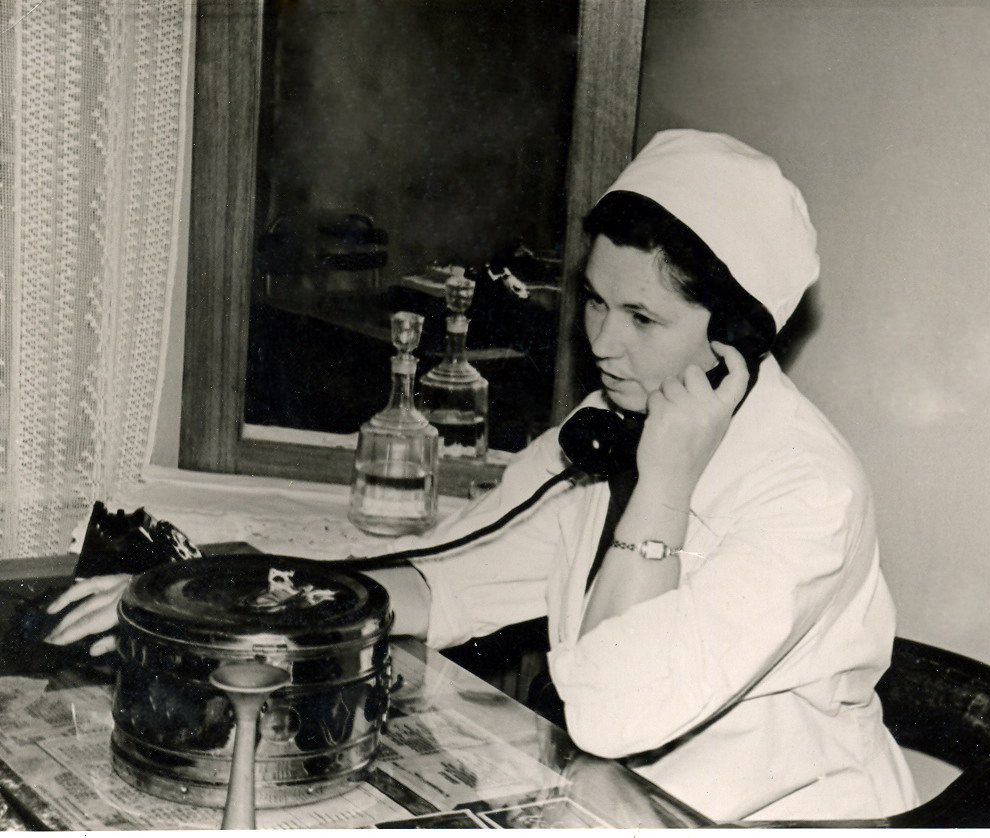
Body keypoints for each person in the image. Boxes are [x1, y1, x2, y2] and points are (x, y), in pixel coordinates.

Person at [44, 129, 918, 822]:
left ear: (732, 344)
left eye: (642, 317)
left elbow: (613, 712)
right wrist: (195, 613)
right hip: (615, 804)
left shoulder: (806, 493)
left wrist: (665, 484)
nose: (603, 342)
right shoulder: (607, 427)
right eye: (595, 300)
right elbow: (447, 581)